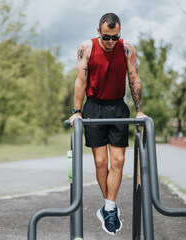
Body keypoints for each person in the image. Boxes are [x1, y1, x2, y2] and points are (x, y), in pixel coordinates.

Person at [69, 13, 147, 235]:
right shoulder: (88, 48)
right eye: (107, 37)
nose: (111, 42)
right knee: (101, 162)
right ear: (98, 32)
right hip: (94, 107)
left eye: (115, 37)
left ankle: (109, 208)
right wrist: (76, 111)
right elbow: (80, 81)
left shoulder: (126, 49)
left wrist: (139, 110)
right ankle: (109, 207)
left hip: (117, 107)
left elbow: (134, 79)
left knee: (119, 160)